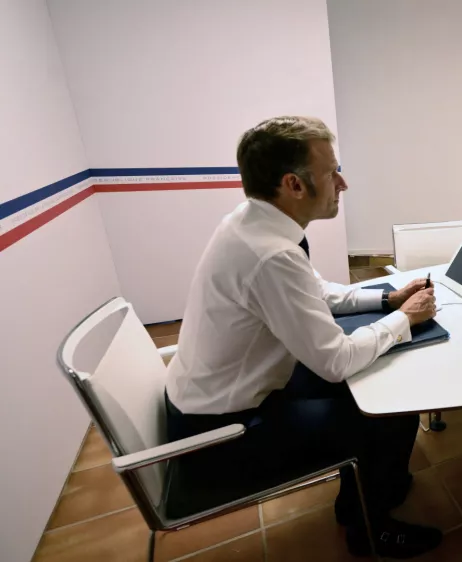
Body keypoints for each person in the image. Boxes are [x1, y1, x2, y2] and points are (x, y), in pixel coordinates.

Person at [164, 116, 442, 558]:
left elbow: (316, 291)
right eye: (332, 171)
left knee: (373, 392)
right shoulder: (270, 255)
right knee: (386, 411)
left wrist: (386, 299)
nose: (342, 182)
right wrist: (405, 320)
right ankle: (369, 531)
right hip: (224, 434)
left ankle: (373, 493)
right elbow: (335, 360)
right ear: (294, 184)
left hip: (220, 396)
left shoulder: (252, 222)